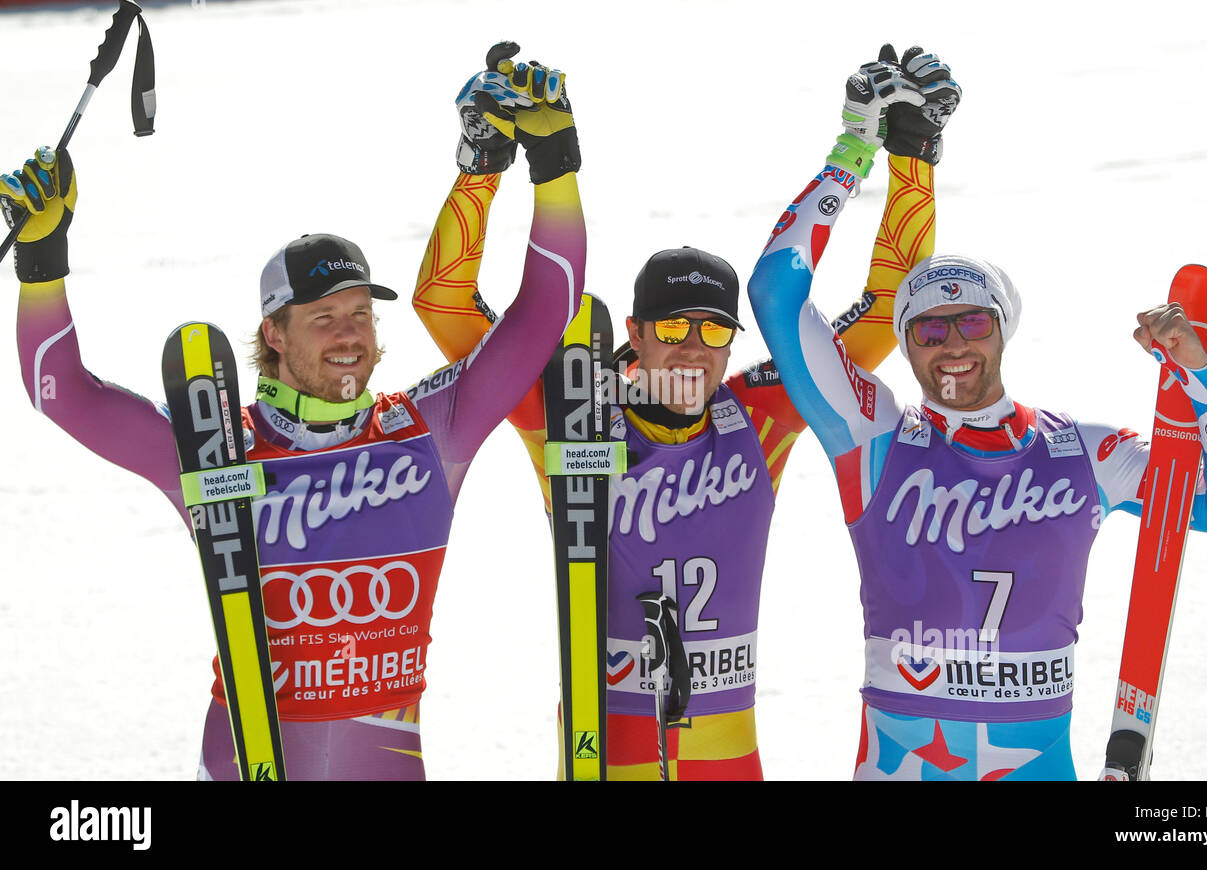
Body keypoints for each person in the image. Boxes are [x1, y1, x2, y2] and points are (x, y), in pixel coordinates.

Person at [3, 62, 584, 779]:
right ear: (273, 334)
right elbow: (60, 391)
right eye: (324, 317)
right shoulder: (220, 451)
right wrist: (40, 261)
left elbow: (544, 316)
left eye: (361, 314)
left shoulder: (429, 432)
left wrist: (555, 161)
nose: (350, 335)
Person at [412, 44, 958, 779]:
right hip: (610, 756)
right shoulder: (568, 414)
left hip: (731, 760)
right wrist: (483, 166)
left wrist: (904, 152)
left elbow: (888, 308)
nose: (693, 349)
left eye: (714, 330)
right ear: (634, 334)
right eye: (672, 328)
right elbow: (443, 305)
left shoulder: (762, 417)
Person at [747, 58, 1207, 780]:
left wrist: (1202, 384)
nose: (953, 346)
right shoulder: (871, 437)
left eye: (972, 323)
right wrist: (851, 152)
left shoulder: (1083, 453)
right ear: (903, 345)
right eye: (928, 331)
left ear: (1003, 330)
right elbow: (776, 293)